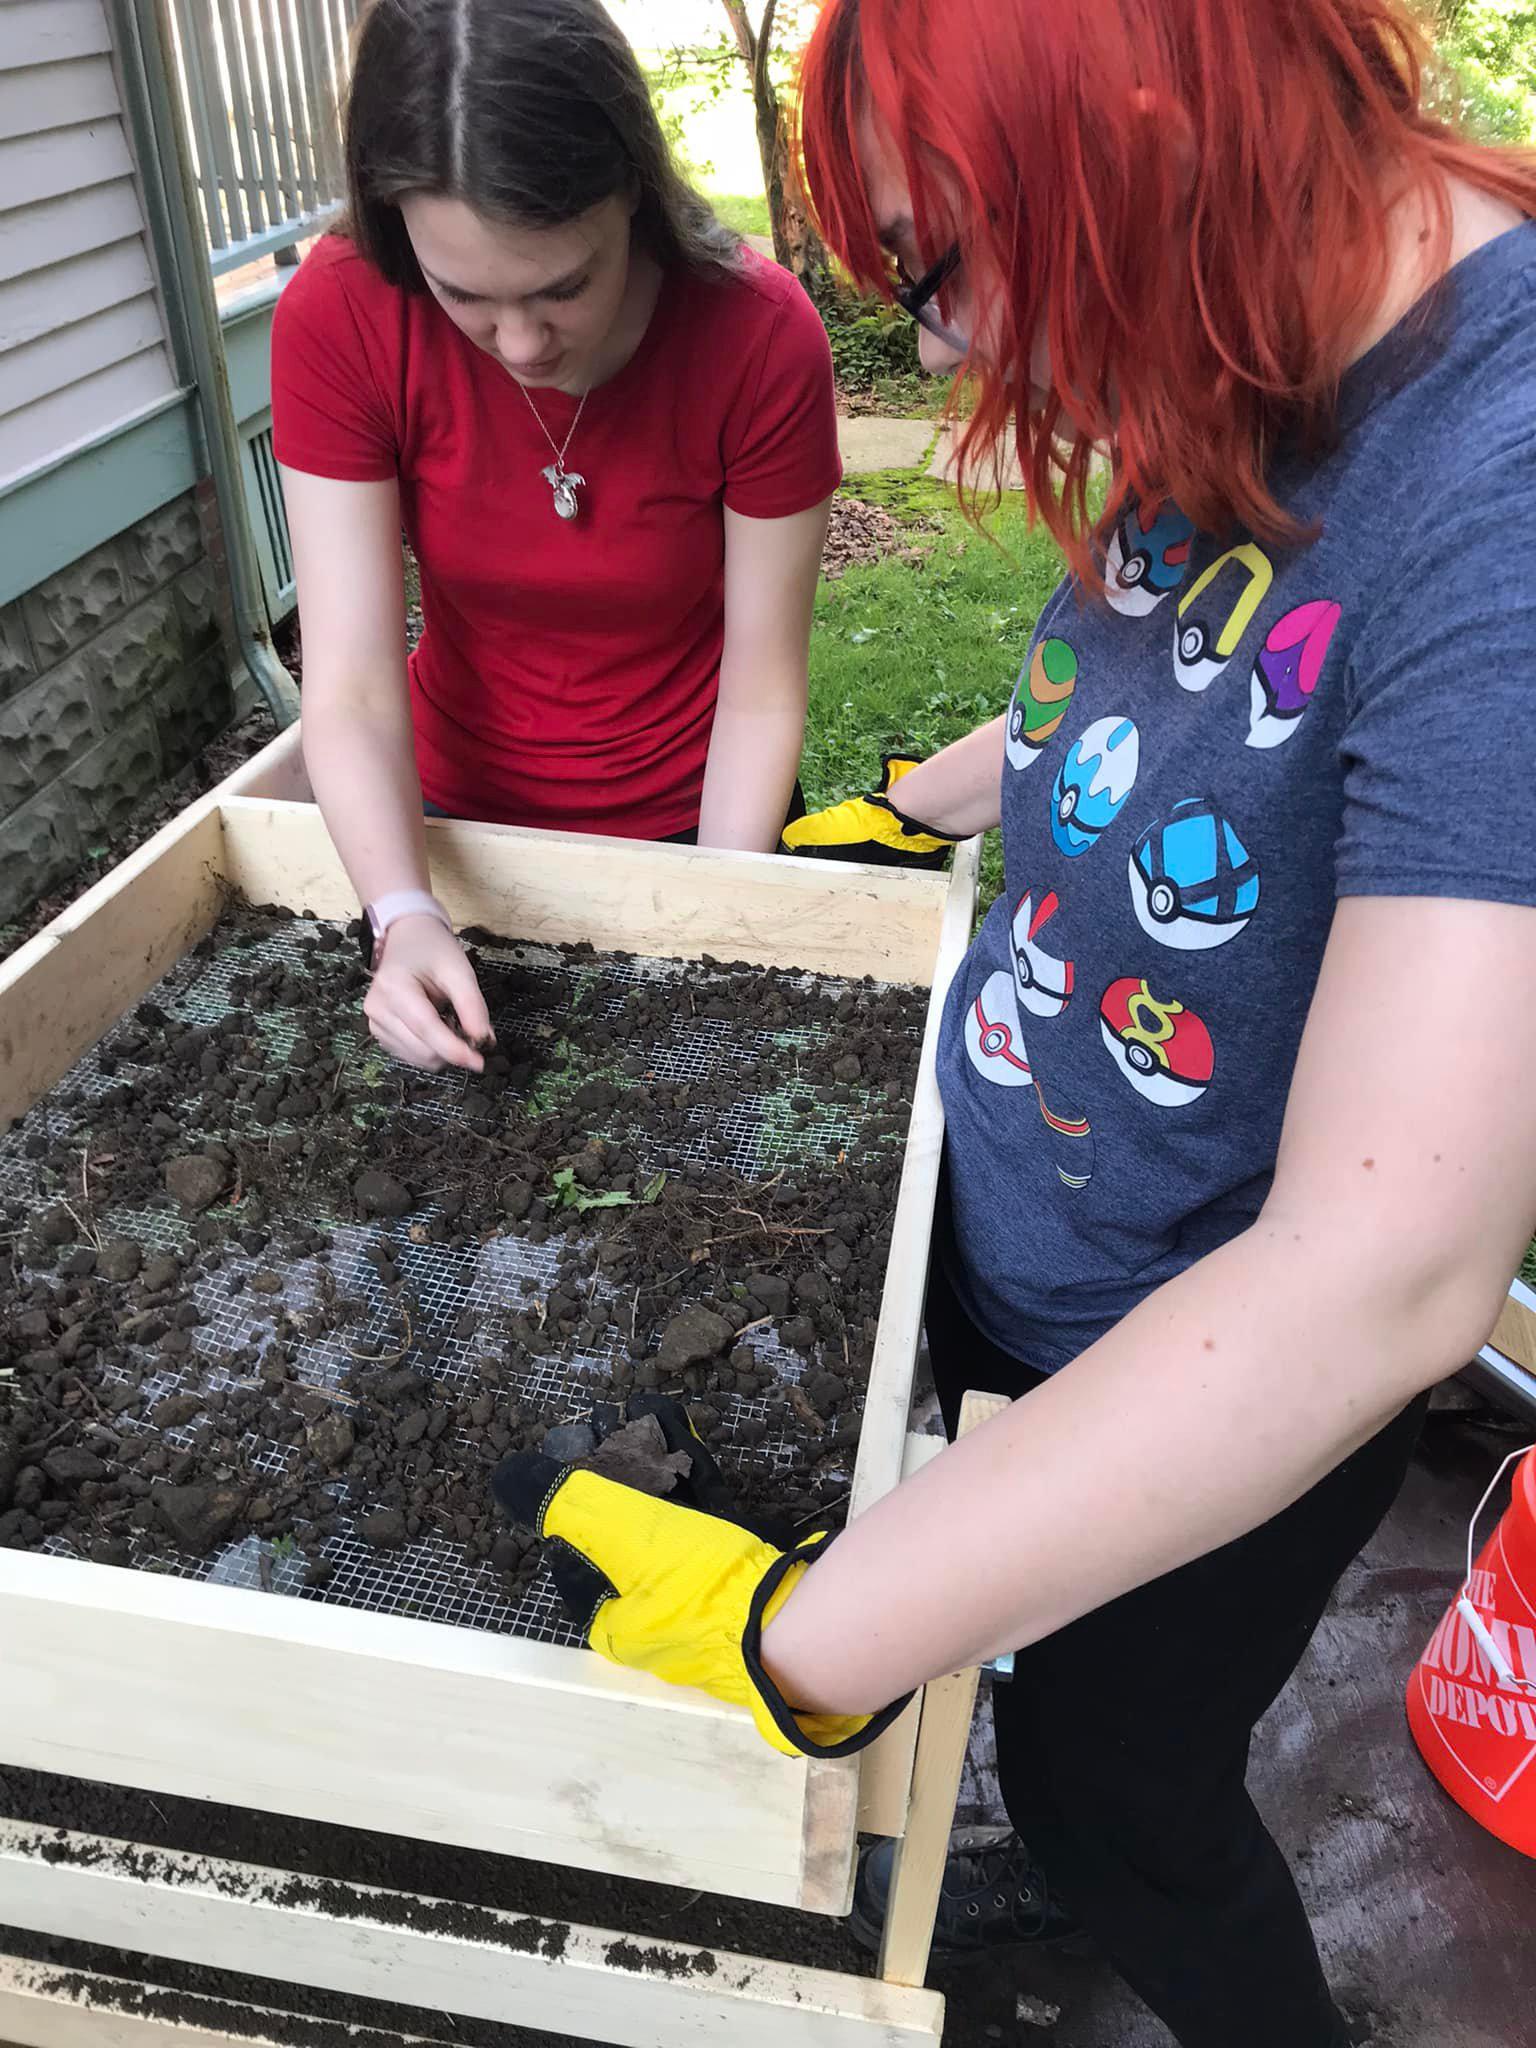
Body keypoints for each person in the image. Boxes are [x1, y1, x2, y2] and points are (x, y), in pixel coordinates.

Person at [488, 3, 1536, 2043]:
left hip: (1203, 1322)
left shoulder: (1503, 478)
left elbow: (1385, 1272)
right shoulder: (1253, 306)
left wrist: (809, 1640)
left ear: (1150, 133)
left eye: (938, 265)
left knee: (1107, 1784)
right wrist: (928, 802)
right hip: (1027, 1172)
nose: (940, 346)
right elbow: (1179, 673)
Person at [271, 0, 839, 1076]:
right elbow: (345, 685)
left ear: (632, 188)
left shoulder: (759, 339)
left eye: (564, 286)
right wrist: (403, 912)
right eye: (463, 296)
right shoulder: (338, 316)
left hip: (698, 817)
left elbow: (764, 686)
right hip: (443, 830)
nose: (521, 342)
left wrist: (709, 922)